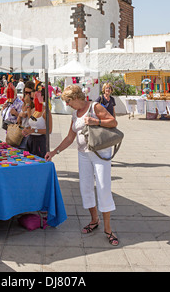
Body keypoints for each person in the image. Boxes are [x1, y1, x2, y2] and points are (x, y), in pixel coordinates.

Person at [45, 84, 119, 246]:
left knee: (103, 188)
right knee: (85, 188)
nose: (67, 104)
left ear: (77, 98)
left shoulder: (95, 106)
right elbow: (70, 138)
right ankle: (94, 220)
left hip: (100, 153)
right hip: (83, 154)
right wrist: (54, 152)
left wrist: (95, 120)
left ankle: (108, 229)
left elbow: (113, 122)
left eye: (69, 101)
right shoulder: (74, 114)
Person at [22, 85, 52, 158]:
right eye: (33, 98)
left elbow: (49, 130)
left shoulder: (46, 111)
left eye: (35, 97)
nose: (33, 99)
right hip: (30, 140)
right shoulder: (33, 110)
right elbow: (32, 123)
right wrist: (26, 130)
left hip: (40, 141)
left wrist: (33, 130)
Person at [17, 81, 35, 149]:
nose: (27, 95)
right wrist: (19, 115)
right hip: (21, 133)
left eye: (29, 93)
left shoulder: (34, 103)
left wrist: (28, 105)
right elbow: (18, 121)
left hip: (30, 134)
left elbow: (32, 119)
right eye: (26, 92)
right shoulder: (23, 103)